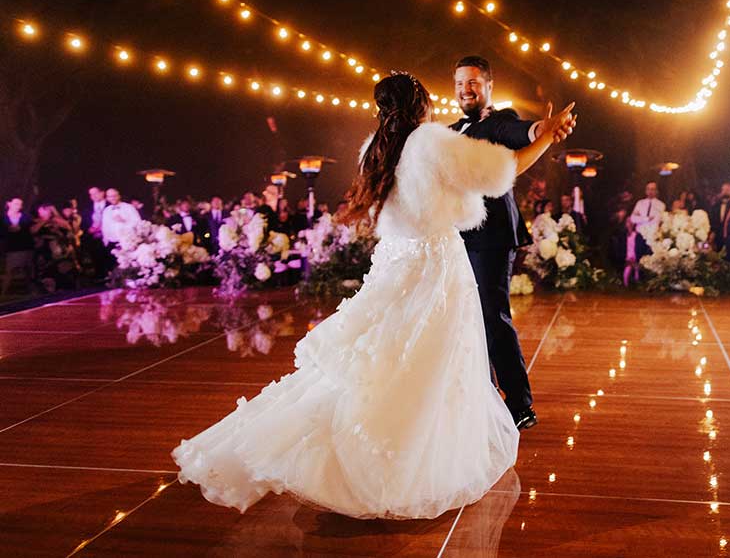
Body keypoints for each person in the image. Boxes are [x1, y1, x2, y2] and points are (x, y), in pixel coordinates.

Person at [173, 72, 577, 518]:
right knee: (427, 364)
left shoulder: (374, 150)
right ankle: (405, 466)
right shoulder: (430, 141)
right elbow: (502, 171)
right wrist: (547, 139)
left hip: (393, 264)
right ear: (420, 104)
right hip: (434, 267)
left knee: (375, 362)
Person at [450, 55, 576, 431]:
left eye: (472, 82)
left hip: (490, 235)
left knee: (492, 317)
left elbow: (522, 131)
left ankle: (520, 404)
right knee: (465, 320)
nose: (465, 89)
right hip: (455, 235)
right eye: (459, 83)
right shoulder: (451, 129)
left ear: (488, 86)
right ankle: (482, 399)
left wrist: (543, 129)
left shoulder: (499, 120)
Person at [1, 197, 35, 296]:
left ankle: (30, 290)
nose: (18, 206)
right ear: (9, 204)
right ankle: (3, 293)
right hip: (12, 248)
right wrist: (8, 230)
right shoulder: (3, 218)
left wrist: (21, 228)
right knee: (10, 271)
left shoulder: (25, 217)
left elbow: (30, 230)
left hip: (26, 246)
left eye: (20, 204)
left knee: (28, 269)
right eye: (16, 203)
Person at [100, 188, 142, 253]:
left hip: (128, 242)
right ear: (107, 198)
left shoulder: (129, 207)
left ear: (119, 196)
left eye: (114, 196)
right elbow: (104, 227)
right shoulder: (106, 210)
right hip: (112, 243)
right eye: (110, 196)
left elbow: (138, 222)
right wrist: (105, 241)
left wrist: (124, 221)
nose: (112, 198)